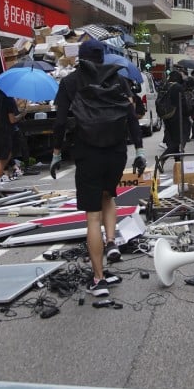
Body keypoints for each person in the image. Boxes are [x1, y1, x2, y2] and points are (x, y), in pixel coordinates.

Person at [50, 38, 146, 296]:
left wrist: (57, 153)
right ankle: (112, 242)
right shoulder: (118, 79)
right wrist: (139, 150)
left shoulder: (70, 82)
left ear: (80, 57)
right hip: (116, 153)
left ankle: (99, 277)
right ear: (103, 57)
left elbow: (59, 122)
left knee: (92, 216)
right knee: (108, 195)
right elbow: (131, 117)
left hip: (87, 152)